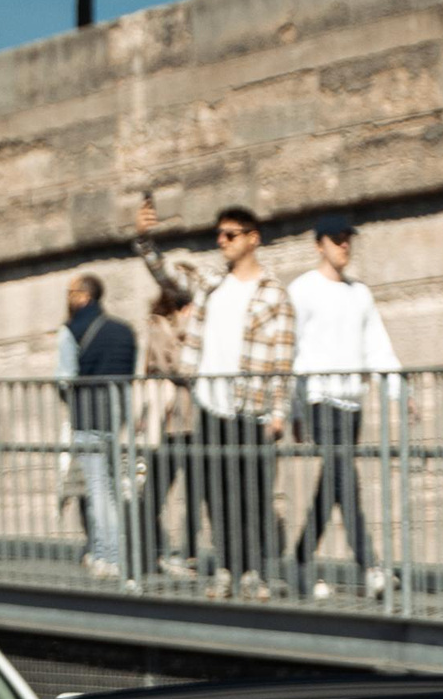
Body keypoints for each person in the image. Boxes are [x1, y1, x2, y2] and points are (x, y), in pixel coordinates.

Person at [136, 195, 296, 599]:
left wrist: (279, 411)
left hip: (252, 405)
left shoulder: (273, 293)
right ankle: (226, 568)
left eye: (230, 235)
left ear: (253, 238)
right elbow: (167, 279)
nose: (222, 241)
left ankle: (253, 571)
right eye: (219, 235)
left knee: (253, 492)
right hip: (208, 403)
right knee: (216, 492)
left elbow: (283, 358)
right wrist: (146, 241)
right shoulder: (211, 283)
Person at [287, 212, 400, 601]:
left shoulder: (359, 293)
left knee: (333, 484)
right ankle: (370, 565)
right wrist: (294, 409)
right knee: (345, 480)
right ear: (319, 245)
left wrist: (399, 388)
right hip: (319, 398)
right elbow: (291, 351)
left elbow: (377, 343)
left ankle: (299, 561)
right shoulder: (302, 290)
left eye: (347, 238)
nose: (344, 245)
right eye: (336, 239)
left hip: (351, 401)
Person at [55, 275, 138, 579]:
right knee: (111, 489)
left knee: (98, 490)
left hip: (87, 416)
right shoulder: (124, 330)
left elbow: (64, 378)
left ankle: (109, 557)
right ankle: (105, 552)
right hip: (116, 418)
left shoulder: (70, 331)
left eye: (70, 292)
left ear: (83, 296)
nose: (67, 297)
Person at [138, 276, 200, 578]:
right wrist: (188, 332)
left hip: (192, 422)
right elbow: (175, 365)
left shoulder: (182, 326)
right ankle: (147, 552)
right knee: (156, 490)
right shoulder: (159, 327)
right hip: (170, 422)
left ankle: (188, 553)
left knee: (197, 492)